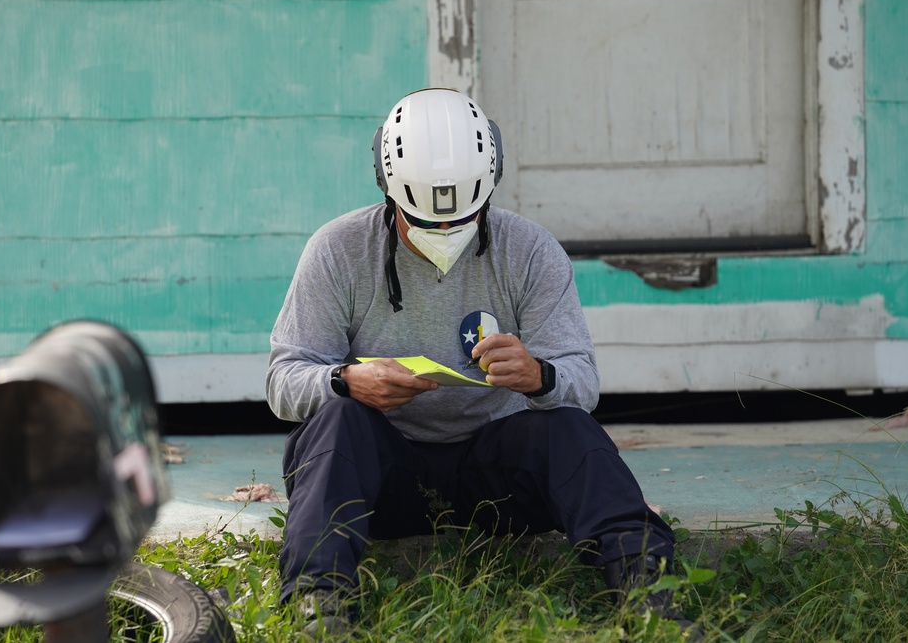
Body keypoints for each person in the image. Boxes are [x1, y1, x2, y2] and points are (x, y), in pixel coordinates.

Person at [266, 88, 694, 635]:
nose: (445, 233)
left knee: (568, 428)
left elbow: (582, 383)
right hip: (379, 478)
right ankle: (317, 607)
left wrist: (541, 377)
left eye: (462, 219)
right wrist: (346, 380)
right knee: (337, 420)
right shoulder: (338, 249)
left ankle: (650, 595)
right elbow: (283, 380)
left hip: (495, 473)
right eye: (424, 221)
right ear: (387, 189)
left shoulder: (531, 250)